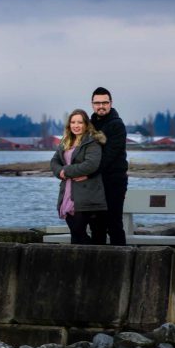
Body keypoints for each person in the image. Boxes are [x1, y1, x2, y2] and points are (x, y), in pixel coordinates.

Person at [51, 109, 108, 244]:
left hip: (86, 194)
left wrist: (66, 171)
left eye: (80, 122)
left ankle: (92, 256)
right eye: (73, 122)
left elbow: (91, 165)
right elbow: (54, 161)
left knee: (80, 234)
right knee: (76, 235)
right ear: (69, 125)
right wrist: (60, 172)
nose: (76, 125)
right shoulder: (66, 141)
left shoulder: (92, 141)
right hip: (68, 193)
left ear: (86, 124)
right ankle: (83, 257)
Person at [89, 87, 128, 245]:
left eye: (104, 102)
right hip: (94, 183)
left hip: (114, 181)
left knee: (114, 224)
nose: (101, 106)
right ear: (92, 104)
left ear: (111, 103)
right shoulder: (89, 125)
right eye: (97, 103)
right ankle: (98, 259)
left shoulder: (117, 125)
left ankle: (122, 258)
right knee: (96, 226)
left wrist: (86, 172)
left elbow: (108, 156)